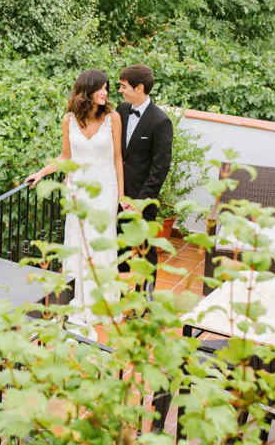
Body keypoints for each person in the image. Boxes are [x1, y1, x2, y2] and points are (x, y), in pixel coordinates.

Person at [25, 69, 124, 337]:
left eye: (107, 88)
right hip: (78, 190)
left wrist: (122, 196)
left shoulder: (113, 118)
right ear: (86, 90)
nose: (105, 93)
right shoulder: (69, 120)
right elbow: (65, 157)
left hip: (105, 189)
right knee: (78, 243)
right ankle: (77, 298)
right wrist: (41, 173)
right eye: (100, 88)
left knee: (100, 242)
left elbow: (117, 158)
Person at [116, 64, 173, 282]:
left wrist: (139, 202)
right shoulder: (121, 110)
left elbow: (160, 168)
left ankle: (145, 302)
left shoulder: (161, 121)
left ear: (139, 88)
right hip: (119, 196)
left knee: (144, 251)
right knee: (119, 248)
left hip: (143, 199)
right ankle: (119, 298)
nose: (121, 90)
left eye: (124, 86)